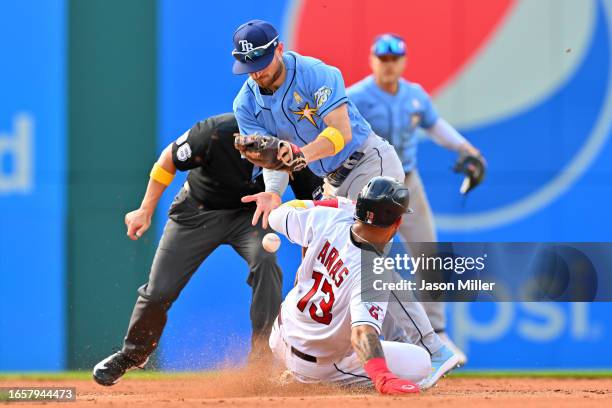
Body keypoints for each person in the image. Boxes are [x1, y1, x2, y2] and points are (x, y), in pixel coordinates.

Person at [231, 20, 458, 384]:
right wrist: (274, 190)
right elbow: (274, 160)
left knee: (369, 264)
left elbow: (339, 132)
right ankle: (407, 349)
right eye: (248, 66)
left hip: (369, 163)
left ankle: (432, 348)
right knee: (329, 260)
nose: (256, 72)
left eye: (261, 61)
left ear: (277, 49)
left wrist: (300, 156)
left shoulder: (315, 74)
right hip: (332, 180)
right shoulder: (246, 103)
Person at [92, 113, 323, 386]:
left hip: (249, 217)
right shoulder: (217, 132)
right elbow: (169, 158)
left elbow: (314, 213)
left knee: (267, 264)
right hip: (196, 213)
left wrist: (309, 263)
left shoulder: (291, 151)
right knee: (159, 290)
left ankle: (262, 359)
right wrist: (145, 209)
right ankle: (133, 355)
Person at [348, 34, 487, 364]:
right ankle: (358, 337)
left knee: (429, 255)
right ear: (373, 60)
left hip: (407, 183)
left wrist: (468, 150)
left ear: (404, 61)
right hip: (366, 188)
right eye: (383, 58)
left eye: (395, 58)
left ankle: (437, 334)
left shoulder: (415, 96)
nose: (389, 64)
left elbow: (436, 126)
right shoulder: (356, 96)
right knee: (362, 261)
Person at [268, 177, 436, 393]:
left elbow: (276, 216)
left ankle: (295, 371)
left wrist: (325, 204)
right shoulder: (373, 269)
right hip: (316, 365)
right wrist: (382, 376)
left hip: (280, 334)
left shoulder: (329, 217)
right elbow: (362, 332)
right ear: (397, 223)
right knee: (421, 362)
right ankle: (307, 380)